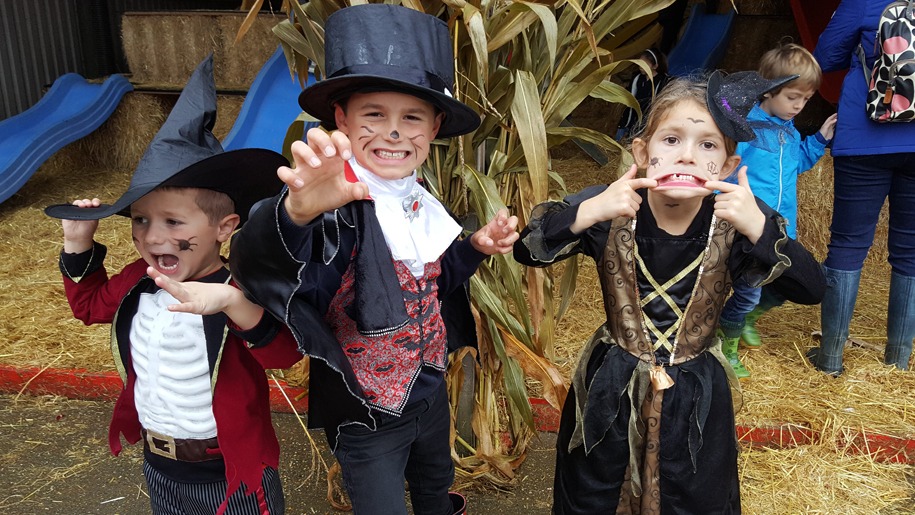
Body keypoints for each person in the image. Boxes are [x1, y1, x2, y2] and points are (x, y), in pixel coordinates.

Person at [226, 5, 519, 515]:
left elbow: (431, 281)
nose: (393, 132)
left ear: (435, 127)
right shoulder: (334, 204)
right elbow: (275, 273)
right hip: (367, 414)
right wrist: (295, 213)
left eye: (411, 117)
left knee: (435, 486)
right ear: (341, 118)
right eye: (374, 115)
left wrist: (475, 247)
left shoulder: (417, 195)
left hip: (428, 393)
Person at [514, 71, 826, 513]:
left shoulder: (738, 224)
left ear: (730, 164)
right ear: (642, 151)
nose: (688, 156)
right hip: (612, 389)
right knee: (595, 491)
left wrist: (757, 225)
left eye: (708, 145)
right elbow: (527, 250)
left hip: (694, 395)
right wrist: (588, 211)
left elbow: (812, 289)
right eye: (671, 140)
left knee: (692, 493)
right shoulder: (610, 206)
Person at [44, 55, 302, 515]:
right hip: (160, 466)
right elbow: (87, 307)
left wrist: (231, 302)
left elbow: (284, 355)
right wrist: (77, 241)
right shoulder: (136, 281)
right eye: (140, 220)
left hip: (231, 472)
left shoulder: (243, 284)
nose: (151, 236)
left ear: (224, 228)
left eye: (173, 221)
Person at [717, 42, 838, 378]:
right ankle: (727, 342)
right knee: (748, 290)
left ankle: (749, 317)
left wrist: (818, 140)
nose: (798, 106)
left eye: (805, 99)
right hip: (751, 226)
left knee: (790, 282)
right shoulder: (746, 129)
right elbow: (724, 169)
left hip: (782, 226)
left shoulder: (789, 129)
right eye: (791, 97)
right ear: (767, 91)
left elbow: (794, 164)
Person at [808, 0, 915, 374]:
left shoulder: (865, 1)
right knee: (911, 251)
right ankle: (897, 363)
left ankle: (830, 359)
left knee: (848, 244)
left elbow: (824, 57)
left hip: (864, 136)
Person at [615, 48, 671, 142]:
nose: (640, 66)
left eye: (644, 64)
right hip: (631, 116)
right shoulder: (637, 78)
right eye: (639, 63)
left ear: (655, 66)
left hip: (646, 120)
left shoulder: (662, 82)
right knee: (618, 140)